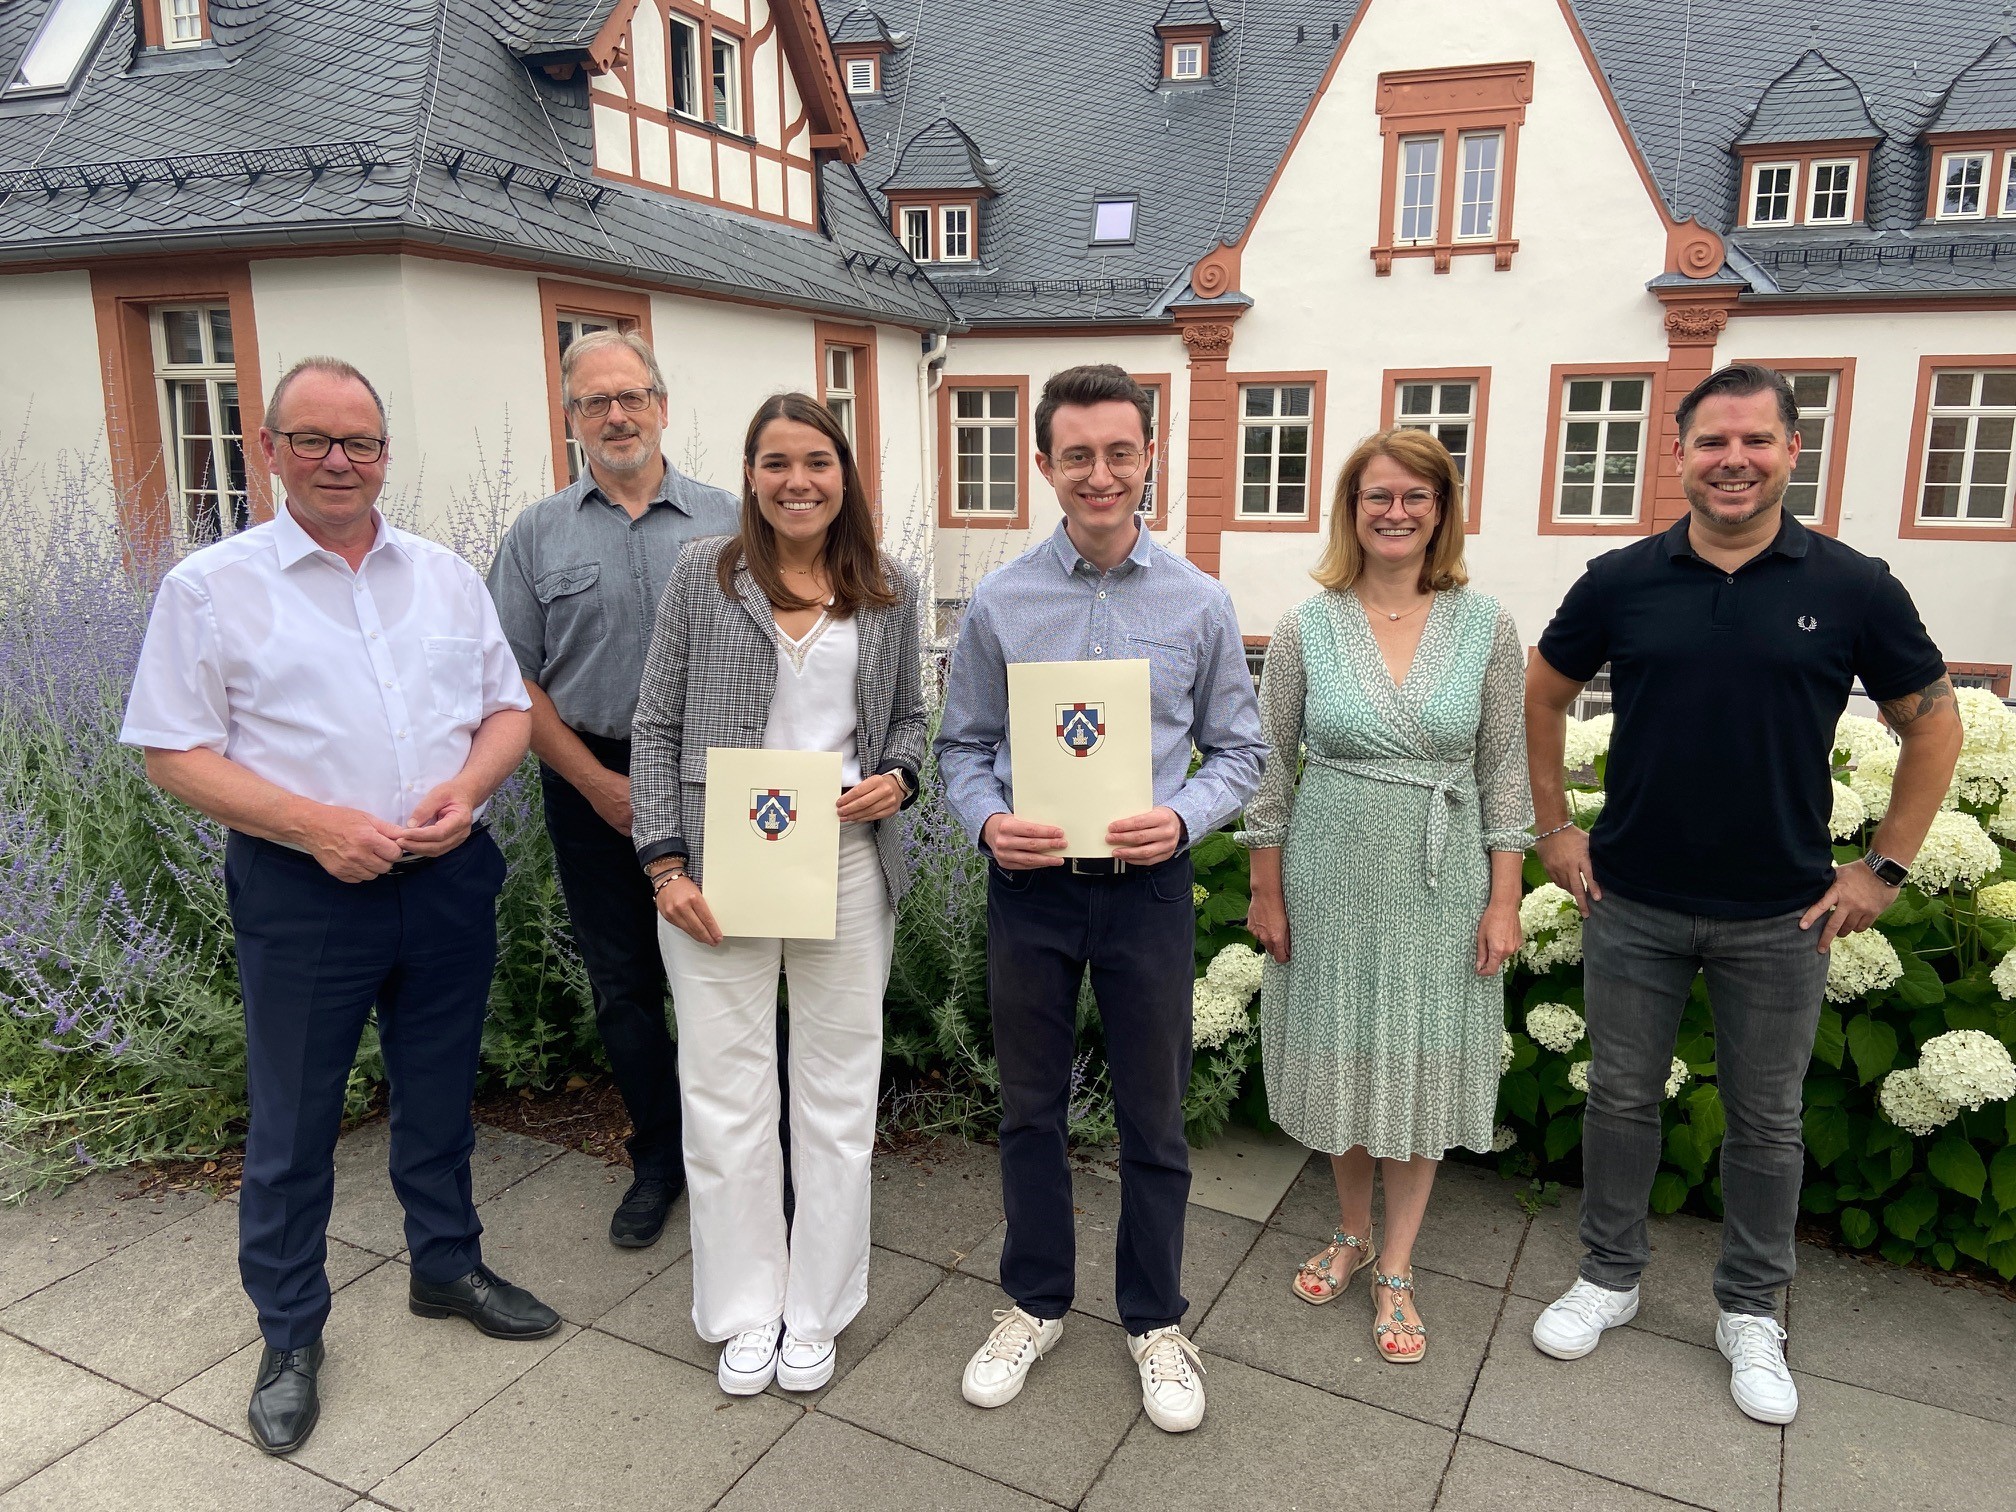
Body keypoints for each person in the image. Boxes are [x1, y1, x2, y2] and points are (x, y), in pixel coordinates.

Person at [120, 357, 560, 1458]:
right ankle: (289, 1333)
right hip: (306, 894)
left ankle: (446, 1266)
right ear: (267, 449)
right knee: (294, 1122)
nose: (337, 461)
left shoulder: (446, 577)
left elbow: (506, 713)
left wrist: (467, 791)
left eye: (358, 442)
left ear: (384, 455)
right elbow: (172, 751)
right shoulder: (211, 588)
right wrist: (315, 826)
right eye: (311, 440)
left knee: (439, 1093)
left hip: (448, 879)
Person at [1524, 362, 1962, 1424]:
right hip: (1630, 898)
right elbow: (1541, 695)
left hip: (1782, 911)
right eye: (1712, 441)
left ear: (1790, 451)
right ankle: (1609, 1277)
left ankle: (1751, 1309)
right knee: (1622, 1097)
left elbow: (1934, 720)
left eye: (1755, 441)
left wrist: (1887, 868)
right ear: (1678, 454)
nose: (1733, 459)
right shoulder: (1624, 579)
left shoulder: (1852, 586)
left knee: (1766, 1122)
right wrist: (1553, 826)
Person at [935, 363, 1266, 1434]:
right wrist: (988, 821)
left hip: (1147, 890)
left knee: (1154, 1113)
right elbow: (963, 749)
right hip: (1031, 890)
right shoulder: (999, 601)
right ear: (1044, 464)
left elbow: (1242, 751)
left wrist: (1185, 818)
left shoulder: (1200, 601)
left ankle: (1155, 1318)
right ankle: (1033, 1301)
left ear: (1147, 458)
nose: (1100, 473)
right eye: (1077, 454)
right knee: (1030, 1107)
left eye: (1120, 452)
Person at [630, 392, 926, 1396]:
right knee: (725, 1093)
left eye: (818, 462)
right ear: (750, 475)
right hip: (723, 864)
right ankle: (745, 1307)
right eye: (776, 462)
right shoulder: (701, 577)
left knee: (839, 1094)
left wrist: (902, 776)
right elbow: (656, 727)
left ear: (844, 473)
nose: (798, 481)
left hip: (842, 860)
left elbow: (909, 722)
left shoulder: (889, 586)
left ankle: (821, 1307)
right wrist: (664, 863)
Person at [1242, 428, 1529, 1363]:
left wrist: (1504, 897)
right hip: (1329, 878)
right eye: (1377, 497)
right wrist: (1267, 890)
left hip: (1441, 886)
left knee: (1419, 1060)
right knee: (1344, 1056)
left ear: (1441, 509)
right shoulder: (1304, 628)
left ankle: (1396, 1265)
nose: (1396, 512)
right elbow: (1267, 771)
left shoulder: (1487, 626)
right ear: (1351, 511)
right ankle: (1352, 1230)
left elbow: (1504, 774)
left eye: (1416, 496)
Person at [486, 330, 738, 1248]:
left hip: (717, 782)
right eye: (595, 403)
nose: (617, 416)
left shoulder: (730, 517)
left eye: (631, 396)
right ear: (572, 420)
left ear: (662, 404)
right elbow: (511, 679)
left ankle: (738, 1156)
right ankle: (660, 1158)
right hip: (593, 784)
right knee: (625, 987)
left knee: (727, 971)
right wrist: (595, 783)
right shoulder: (537, 534)